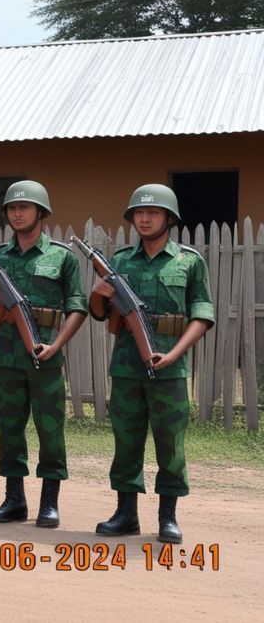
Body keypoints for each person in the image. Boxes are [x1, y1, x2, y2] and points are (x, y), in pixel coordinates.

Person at [91, 184, 213, 544]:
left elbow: (202, 314)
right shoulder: (123, 260)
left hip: (171, 368)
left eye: (153, 213)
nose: (144, 219)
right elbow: (101, 315)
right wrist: (97, 296)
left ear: (169, 218)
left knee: (170, 444)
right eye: (139, 214)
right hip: (127, 367)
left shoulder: (189, 261)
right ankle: (126, 514)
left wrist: (175, 354)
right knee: (126, 441)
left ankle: (167, 517)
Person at [0, 181, 87, 527]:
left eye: (24, 207)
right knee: (9, 430)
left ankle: (49, 502)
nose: (17, 213)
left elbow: (77, 307)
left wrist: (57, 345)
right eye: (12, 208)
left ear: (41, 212)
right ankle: (14, 499)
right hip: (7, 357)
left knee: (50, 430)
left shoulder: (62, 257)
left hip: (46, 356)